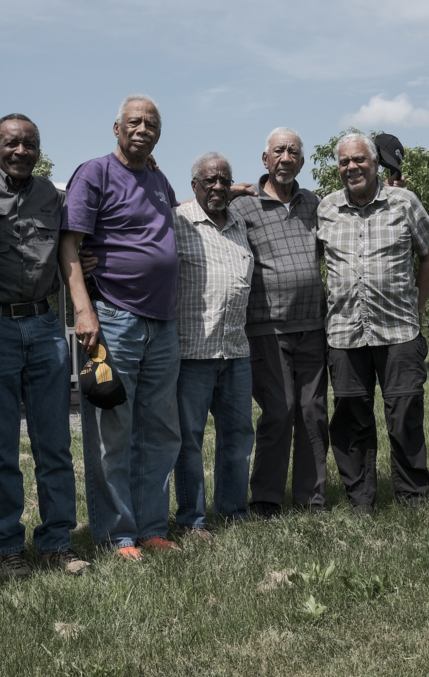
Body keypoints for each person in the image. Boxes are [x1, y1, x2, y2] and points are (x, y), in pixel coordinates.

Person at [0, 114, 93, 578]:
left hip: (44, 327)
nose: (21, 151)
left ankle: (57, 542)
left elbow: (76, 244)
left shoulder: (53, 198)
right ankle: (6, 547)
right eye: (12, 144)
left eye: (30, 144)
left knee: (54, 443)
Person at [62, 94, 182, 560]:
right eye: (134, 121)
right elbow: (69, 246)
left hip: (162, 323)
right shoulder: (94, 173)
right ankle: (117, 534)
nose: (143, 128)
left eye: (151, 123)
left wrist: (227, 191)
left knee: (160, 430)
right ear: (116, 128)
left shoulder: (157, 178)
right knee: (112, 430)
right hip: (112, 317)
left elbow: (165, 227)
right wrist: (84, 310)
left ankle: (152, 526)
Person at [316, 132, 429, 514]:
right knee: (351, 419)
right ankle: (361, 499)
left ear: (375, 163)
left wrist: (416, 310)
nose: (351, 167)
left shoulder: (404, 202)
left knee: (404, 414)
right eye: (344, 162)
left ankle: (412, 497)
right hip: (344, 334)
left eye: (359, 160)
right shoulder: (326, 208)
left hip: (399, 330)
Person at [230, 128, 329, 517]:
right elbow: (198, 215)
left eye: (293, 152)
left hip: (313, 326)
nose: (286, 157)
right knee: (279, 409)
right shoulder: (244, 207)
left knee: (313, 412)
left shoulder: (315, 204)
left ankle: (311, 500)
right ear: (265, 160)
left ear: (301, 162)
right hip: (265, 328)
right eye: (278, 151)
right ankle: (267, 500)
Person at [172, 152, 255, 539]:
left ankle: (233, 512)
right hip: (192, 352)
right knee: (188, 440)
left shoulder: (241, 223)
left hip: (236, 350)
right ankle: (192, 519)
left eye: (224, 180)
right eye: (210, 181)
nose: (218, 186)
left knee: (237, 436)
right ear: (195, 186)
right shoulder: (177, 220)